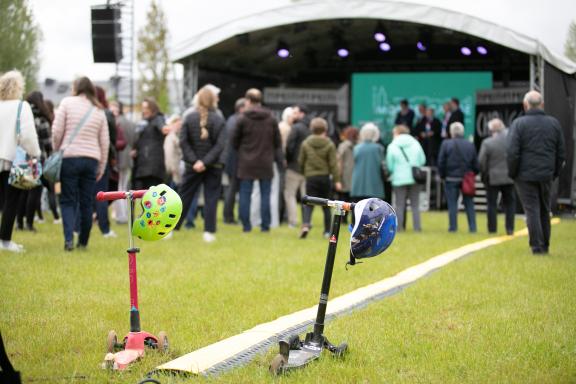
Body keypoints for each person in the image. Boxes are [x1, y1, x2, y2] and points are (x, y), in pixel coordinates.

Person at [52, 76, 109, 251]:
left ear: (76, 88)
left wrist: (57, 150)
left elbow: (56, 131)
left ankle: (69, 239)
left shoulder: (67, 103)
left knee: (68, 200)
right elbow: (105, 142)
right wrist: (102, 166)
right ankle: (83, 242)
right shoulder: (98, 110)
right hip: (91, 159)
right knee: (86, 202)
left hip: (69, 157)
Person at [507, 91, 565, 255]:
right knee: (544, 209)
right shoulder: (554, 123)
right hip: (546, 175)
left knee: (531, 209)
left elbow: (512, 152)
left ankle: (537, 246)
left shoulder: (518, 124)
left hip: (524, 176)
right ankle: (545, 244)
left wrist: (513, 173)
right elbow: (561, 153)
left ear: (525, 105)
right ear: (542, 105)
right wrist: (554, 173)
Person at [175, 87, 226, 242]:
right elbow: (220, 145)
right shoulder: (219, 120)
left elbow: (183, 142)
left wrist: (195, 161)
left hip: (192, 166)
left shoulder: (188, 118)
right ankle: (209, 232)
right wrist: (205, 162)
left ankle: (172, 228)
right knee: (211, 197)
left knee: (184, 197)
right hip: (213, 166)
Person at [0, 70, 41, 252]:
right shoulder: (21, 106)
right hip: (12, 160)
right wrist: (35, 153)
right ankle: (5, 240)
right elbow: (28, 136)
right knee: (11, 202)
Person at [232, 88, 281, 233]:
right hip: (266, 162)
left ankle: (246, 226)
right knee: (266, 195)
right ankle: (265, 226)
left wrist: (243, 151)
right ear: (260, 100)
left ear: (247, 101)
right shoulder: (271, 118)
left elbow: (234, 141)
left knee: (245, 195)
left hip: (246, 163)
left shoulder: (242, 118)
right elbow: (277, 142)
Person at [17, 91, 59, 231]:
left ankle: (19, 223)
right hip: (37, 159)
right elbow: (48, 144)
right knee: (35, 191)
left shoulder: (23, 117)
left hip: (22, 158)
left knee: (23, 190)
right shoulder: (42, 119)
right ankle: (29, 223)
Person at [298, 117, 342, 238]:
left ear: (311, 129)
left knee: (308, 203)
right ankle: (327, 231)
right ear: (325, 129)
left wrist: (304, 172)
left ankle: (306, 225)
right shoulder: (329, 144)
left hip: (311, 177)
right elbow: (333, 164)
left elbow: (301, 161)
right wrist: (337, 180)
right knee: (327, 205)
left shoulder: (306, 143)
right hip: (324, 177)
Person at [437, 122, 479, 233]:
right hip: (466, 179)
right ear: (462, 132)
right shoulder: (470, 145)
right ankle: (473, 227)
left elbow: (441, 162)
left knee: (452, 205)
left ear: (451, 132)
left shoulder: (446, 144)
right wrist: (473, 174)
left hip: (451, 178)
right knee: (469, 204)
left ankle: (453, 227)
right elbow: (475, 163)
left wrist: (442, 175)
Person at [478, 118, 515, 235]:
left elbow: (481, 162)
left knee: (491, 204)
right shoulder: (511, 141)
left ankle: (492, 229)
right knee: (510, 203)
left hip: (492, 177)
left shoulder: (487, 143)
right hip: (509, 176)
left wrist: (484, 176)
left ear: (491, 130)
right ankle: (510, 228)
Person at [386, 125, 426, 232]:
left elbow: (390, 165)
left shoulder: (392, 145)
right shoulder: (415, 143)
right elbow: (422, 160)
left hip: (399, 178)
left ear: (397, 133)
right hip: (414, 178)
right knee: (415, 205)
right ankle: (417, 228)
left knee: (399, 205)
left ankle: (399, 228)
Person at [92, 86, 117, 238]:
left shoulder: (88, 112)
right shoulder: (106, 114)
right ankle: (105, 229)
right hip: (103, 157)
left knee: (84, 195)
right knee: (102, 194)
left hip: (86, 156)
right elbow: (111, 139)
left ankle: (77, 227)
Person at [109, 100, 135, 224]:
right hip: (128, 157)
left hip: (119, 157)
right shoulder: (131, 123)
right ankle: (124, 214)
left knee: (119, 188)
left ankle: (121, 216)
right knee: (124, 186)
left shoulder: (116, 122)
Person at [284, 104, 309, 228]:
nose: (294, 114)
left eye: (295, 112)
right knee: (307, 197)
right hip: (308, 168)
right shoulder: (312, 127)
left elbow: (289, 146)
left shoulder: (296, 127)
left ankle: (293, 221)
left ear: (301, 114)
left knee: (290, 195)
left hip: (294, 167)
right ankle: (306, 221)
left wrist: (288, 160)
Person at [132, 98, 166, 190]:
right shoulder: (144, 123)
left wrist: (169, 128)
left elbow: (163, 129)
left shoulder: (158, 119)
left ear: (152, 108)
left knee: (151, 197)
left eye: (146, 108)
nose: (144, 110)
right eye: (143, 108)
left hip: (152, 168)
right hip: (142, 166)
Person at [222, 98, 246, 224]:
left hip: (232, 160)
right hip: (235, 161)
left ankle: (229, 216)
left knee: (231, 190)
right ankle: (229, 217)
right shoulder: (237, 120)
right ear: (241, 108)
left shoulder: (232, 119)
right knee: (233, 190)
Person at [351, 123, 385, 201]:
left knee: (357, 209)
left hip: (358, 184)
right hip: (374, 184)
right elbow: (383, 164)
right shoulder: (379, 148)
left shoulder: (357, 148)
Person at [337, 126, 358, 204]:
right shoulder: (359, 146)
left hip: (344, 179)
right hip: (356, 180)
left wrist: (337, 179)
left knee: (343, 206)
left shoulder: (342, 146)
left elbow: (339, 163)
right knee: (355, 206)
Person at [163, 115, 183, 187]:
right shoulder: (171, 137)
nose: (179, 126)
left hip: (176, 170)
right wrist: (172, 169)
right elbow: (169, 154)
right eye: (178, 124)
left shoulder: (175, 136)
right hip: (174, 171)